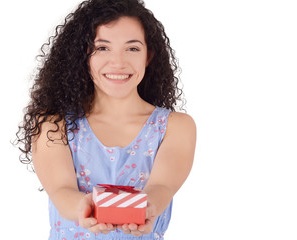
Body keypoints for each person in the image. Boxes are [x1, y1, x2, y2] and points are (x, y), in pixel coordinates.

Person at [15, 0, 196, 239]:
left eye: (132, 48)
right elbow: (61, 190)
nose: (118, 62)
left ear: (148, 56)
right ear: (83, 54)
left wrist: (147, 207)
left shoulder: (176, 126)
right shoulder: (53, 124)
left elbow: (162, 187)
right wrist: (85, 206)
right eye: (102, 48)